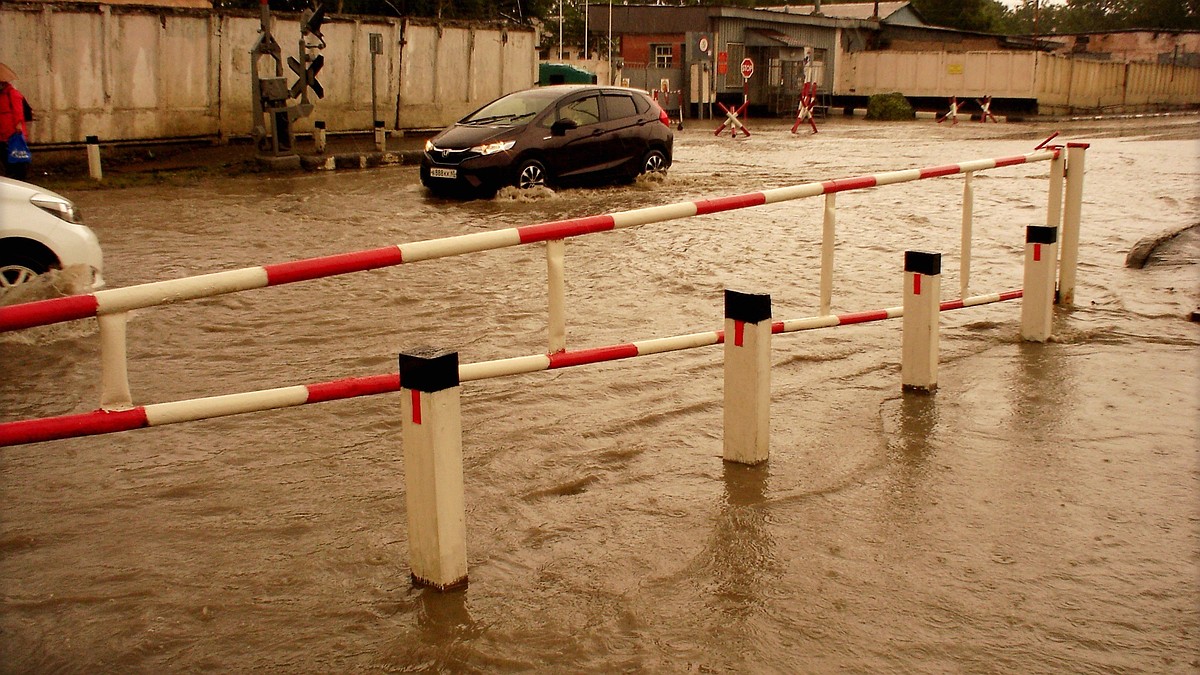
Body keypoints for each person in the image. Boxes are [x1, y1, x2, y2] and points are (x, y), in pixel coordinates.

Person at [0, 62, 33, 180]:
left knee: (16, 156)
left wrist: (18, 125)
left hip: (12, 131)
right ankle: (12, 175)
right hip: (3, 132)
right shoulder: (2, 95)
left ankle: (19, 176)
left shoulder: (12, 94)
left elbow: (18, 111)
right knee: (6, 156)